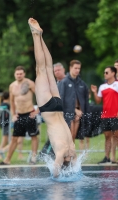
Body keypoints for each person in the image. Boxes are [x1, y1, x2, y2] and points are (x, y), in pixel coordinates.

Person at [28, 18, 76, 177]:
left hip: (58, 106)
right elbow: (56, 171)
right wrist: (57, 177)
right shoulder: (62, 152)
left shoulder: (72, 150)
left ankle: (40, 36)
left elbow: (75, 167)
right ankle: (36, 36)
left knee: (48, 68)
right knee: (41, 70)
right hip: (48, 109)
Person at [0, 66, 39, 165]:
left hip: (30, 113)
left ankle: (33, 158)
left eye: (21, 73)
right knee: (14, 138)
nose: (19, 75)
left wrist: (38, 110)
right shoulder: (12, 86)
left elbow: (39, 96)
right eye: (17, 74)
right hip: (19, 115)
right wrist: (13, 114)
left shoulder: (29, 83)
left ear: (24, 74)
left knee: (33, 136)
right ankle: (7, 159)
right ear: (14, 74)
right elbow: (12, 101)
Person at [91, 66, 118, 164]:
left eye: (106, 72)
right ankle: (106, 157)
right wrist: (94, 92)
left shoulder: (117, 84)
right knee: (107, 137)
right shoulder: (102, 86)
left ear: (113, 73)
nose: (104, 74)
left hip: (115, 115)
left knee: (116, 136)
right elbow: (98, 101)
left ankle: (114, 158)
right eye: (104, 72)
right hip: (106, 116)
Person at [58, 60, 90, 141]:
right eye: (75, 68)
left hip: (79, 113)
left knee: (73, 136)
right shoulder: (64, 82)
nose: (77, 70)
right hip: (67, 112)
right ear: (70, 68)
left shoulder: (82, 83)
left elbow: (85, 100)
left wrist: (82, 112)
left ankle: (70, 153)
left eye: (79, 68)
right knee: (68, 135)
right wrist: (74, 110)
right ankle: (65, 153)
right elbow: (61, 98)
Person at [0, 91, 10, 160]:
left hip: (2, 123)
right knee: (4, 140)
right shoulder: (6, 105)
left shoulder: (1, 104)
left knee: (5, 140)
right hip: (6, 124)